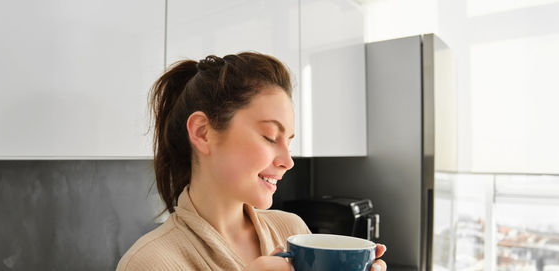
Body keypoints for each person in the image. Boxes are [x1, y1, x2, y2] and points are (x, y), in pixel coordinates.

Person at [116, 52, 387, 270]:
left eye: (289, 141)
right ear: (202, 132)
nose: (288, 161)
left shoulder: (292, 231)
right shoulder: (150, 262)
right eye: (270, 137)